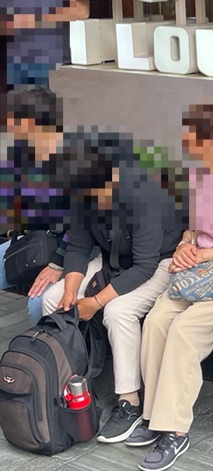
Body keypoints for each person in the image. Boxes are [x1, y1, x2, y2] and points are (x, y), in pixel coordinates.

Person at [128, 105, 213, 471]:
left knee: (184, 331)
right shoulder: (198, 175)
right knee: (156, 321)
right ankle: (152, 416)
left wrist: (211, 252)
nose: (185, 140)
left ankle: (175, 430)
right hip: (198, 269)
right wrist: (186, 245)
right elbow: (192, 229)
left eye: (191, 134)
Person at [42, 135, 186, 443]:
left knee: (118, 311)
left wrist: (95, 301)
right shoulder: (83, 194)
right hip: (114, 259)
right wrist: (70, 291)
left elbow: (144, 266)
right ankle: (66, 384)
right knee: (53, 299)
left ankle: (129, 401)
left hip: (160, 261)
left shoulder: (144, 195)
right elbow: (78, 247)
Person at [1, 86, 131, 323]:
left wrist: (58, 262)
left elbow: (83, 222)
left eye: (13, 117)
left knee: (39, 304)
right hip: (40, 241)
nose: (8, 123)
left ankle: (51, 345)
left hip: (78, 246)